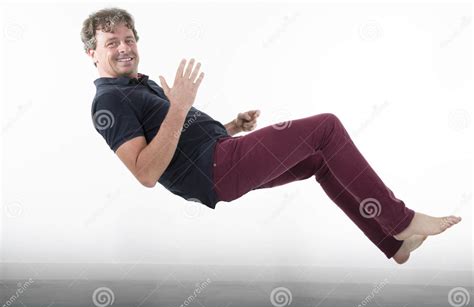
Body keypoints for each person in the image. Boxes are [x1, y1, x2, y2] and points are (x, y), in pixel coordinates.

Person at [81, 8, 462, 264]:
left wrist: (231, 126)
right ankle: (401, 219)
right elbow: (145, 172)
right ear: (91, 53)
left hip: (219, 153)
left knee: (318, 157)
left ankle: (392, 245)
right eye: (111, 42)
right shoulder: (109, 100)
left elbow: (177, 141)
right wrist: (179, 105)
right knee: (325, 127)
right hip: (214, 169)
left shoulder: (136, 86)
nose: (124, 47)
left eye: (128, 38)